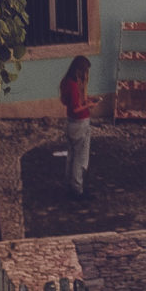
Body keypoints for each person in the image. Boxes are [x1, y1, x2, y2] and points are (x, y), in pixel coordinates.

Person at [60, 55, 93, 200]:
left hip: (70, 123)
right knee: (80, 158)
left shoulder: (66, 82)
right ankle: (77, 189)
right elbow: (77, 109)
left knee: (71, 156)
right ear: (80, 70)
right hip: (80, 123)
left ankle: (69, 185)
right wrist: (90, 105)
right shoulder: (74, 86)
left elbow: (70, 103)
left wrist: (86, 100)